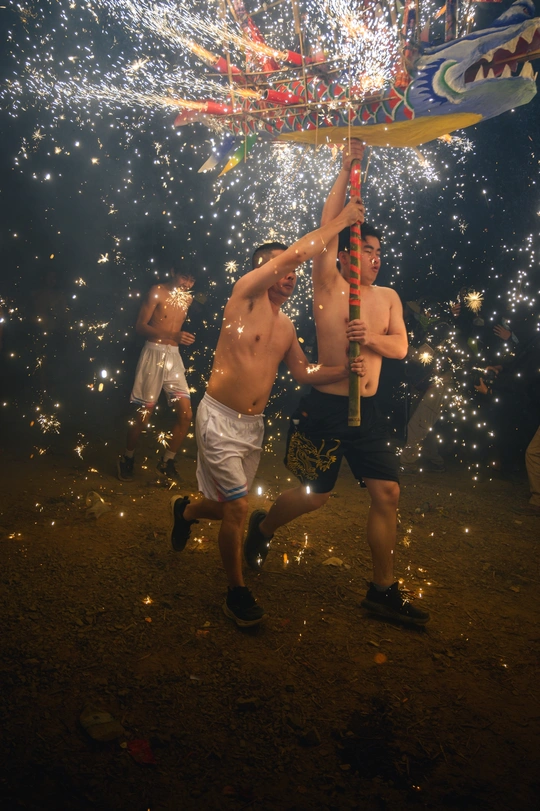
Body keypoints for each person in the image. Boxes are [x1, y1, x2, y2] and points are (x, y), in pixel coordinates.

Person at [243, 140, 430, 627]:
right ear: (345, 255)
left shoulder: (388, 297)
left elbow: (401, 348)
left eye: (378, 252)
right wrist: (347, 169)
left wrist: (370, 338)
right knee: (315, 496)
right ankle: (263, 527)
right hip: (326, 410)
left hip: (367, 414)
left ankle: (381, 590)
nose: (373, 258)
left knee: (387, 493)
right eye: (364, 249)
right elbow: (327, 230)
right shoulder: (329, 288)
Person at [169, 200, 365, 627]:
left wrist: (344, 370)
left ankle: (185, 511)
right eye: (282, 267)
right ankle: (236, 594)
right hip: (219, 418)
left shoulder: (286, 326)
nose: (291, 274)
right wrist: (341, 222)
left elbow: (303, 371)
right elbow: (297, 254)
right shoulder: (244, 296)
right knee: (238, 509)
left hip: (251, 428)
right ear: (262, 271)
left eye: (292, 271)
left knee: (225, 507)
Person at [117, 267, 196, 482]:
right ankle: (127, 457)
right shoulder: (157, 292)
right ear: (173, 272)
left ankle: (166, 462)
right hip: (153, 353)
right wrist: (172, 335)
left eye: (191, 280)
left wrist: (178, 338)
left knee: (186, 415)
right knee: (144, 414)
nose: (187, 284)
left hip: (174, 357)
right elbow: (140, 326)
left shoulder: (188, 298)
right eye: (184, 276)